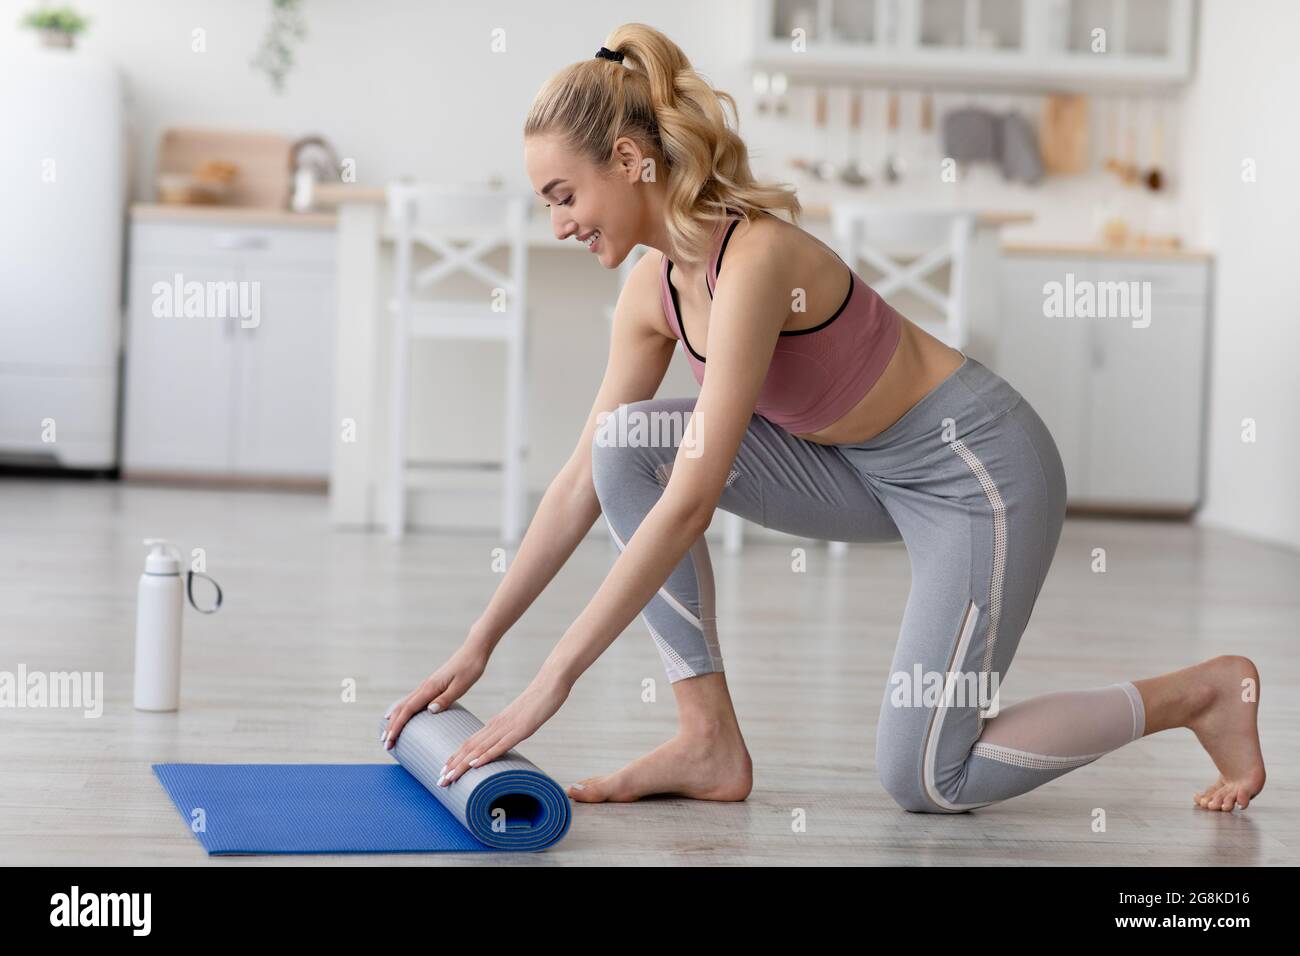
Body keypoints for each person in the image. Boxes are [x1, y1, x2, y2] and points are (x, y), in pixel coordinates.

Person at [383, 23, 1265, 815]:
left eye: (562, 193)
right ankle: (707, 740)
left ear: (626, 159)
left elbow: (690, 502)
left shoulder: (754, 259)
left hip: (977, 474)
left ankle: (1199, 696)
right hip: (853, 471)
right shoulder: (651, 292)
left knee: (927, 776)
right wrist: (480, 643)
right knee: (622, 446)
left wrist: (552, 683)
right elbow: (581, 480)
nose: (558, 222)